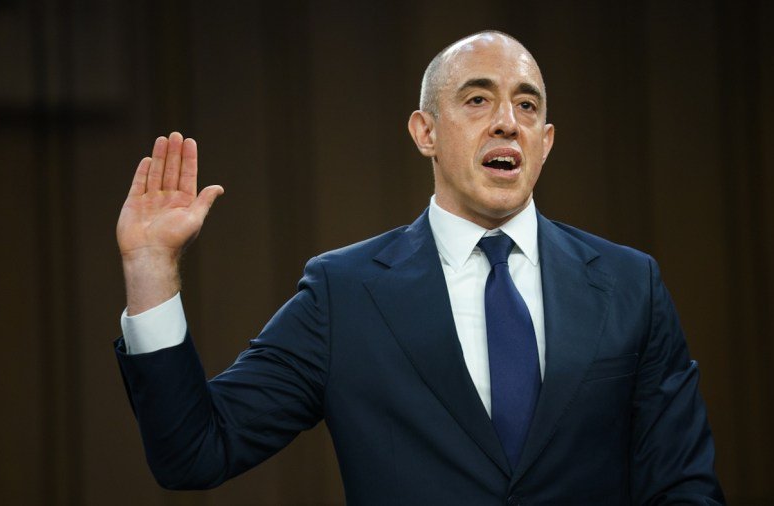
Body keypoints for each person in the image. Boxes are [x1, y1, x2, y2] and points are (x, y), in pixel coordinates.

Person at [115, 30, 725, 505]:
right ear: (425, 131)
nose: (507, 121)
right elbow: (196, 451)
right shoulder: (344, 294)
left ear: (545, 141)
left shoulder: (630, 285)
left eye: (526, 105)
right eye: (478, 99)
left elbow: (684, 486)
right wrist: (150, 268)